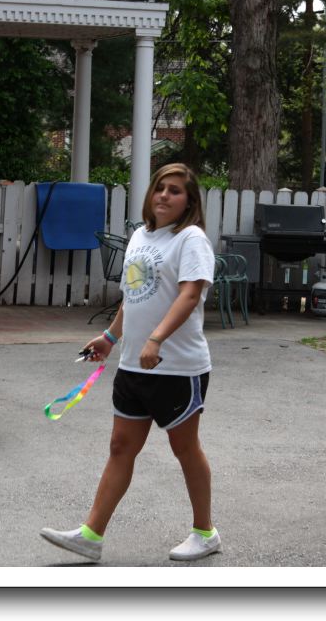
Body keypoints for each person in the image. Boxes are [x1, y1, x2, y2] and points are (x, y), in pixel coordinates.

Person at [40, 163, 220, 562]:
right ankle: (91, 534)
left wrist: (156, 339)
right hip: (133, 366)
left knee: (184, 448)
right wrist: (109, 338)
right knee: (121, 446)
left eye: (175, 190)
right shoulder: (140, 236)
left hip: (176, 367)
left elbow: (190, 295)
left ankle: (205, 532)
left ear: (189, 201)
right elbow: (134, 294)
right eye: (160, 187)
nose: (164, 195)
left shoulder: (191, 239)